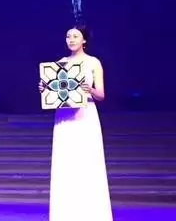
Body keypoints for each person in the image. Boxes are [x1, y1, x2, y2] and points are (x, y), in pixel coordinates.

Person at [39, 26, 112, 221]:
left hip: (85, 116)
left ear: (84, 40)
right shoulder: (60, 64)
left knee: (87, 163)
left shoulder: (93, 62)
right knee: (66, 165)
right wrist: (46, 88)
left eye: (75, 36)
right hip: (65, 117)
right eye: (68, 36)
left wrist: (90, 89)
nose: (71, 39)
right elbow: (55, 92)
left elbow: (101, 95)